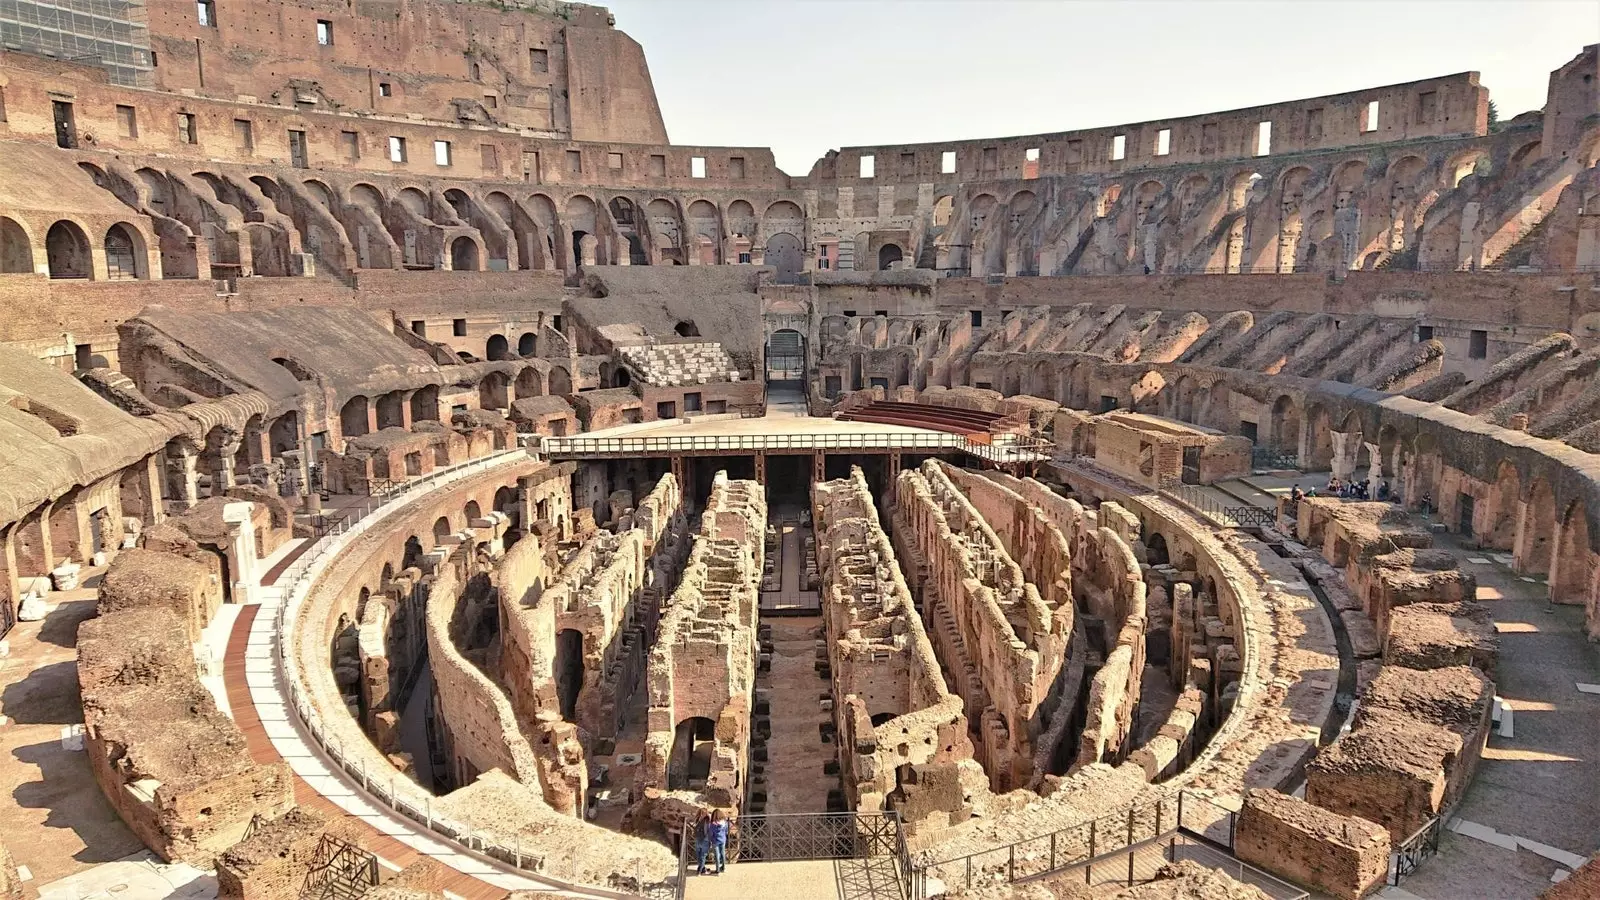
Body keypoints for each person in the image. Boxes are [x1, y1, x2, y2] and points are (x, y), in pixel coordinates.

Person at [708, 809, 730, 874]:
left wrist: (711, 839)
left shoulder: (713, 825)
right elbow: (726, 831)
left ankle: (717, 870)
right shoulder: (725, 823)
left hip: (715, 841)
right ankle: (723, 868)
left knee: (717, 855)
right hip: (723, 839)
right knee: (723, 853)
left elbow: (711, 833)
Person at [694, 811, 712, 875]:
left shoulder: (697, 820)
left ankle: (702, 868)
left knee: (699, 855)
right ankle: (700, 871)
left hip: (697, 840)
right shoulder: (707, 820)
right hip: (705, 840)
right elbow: (709, 831)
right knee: (703, 856)